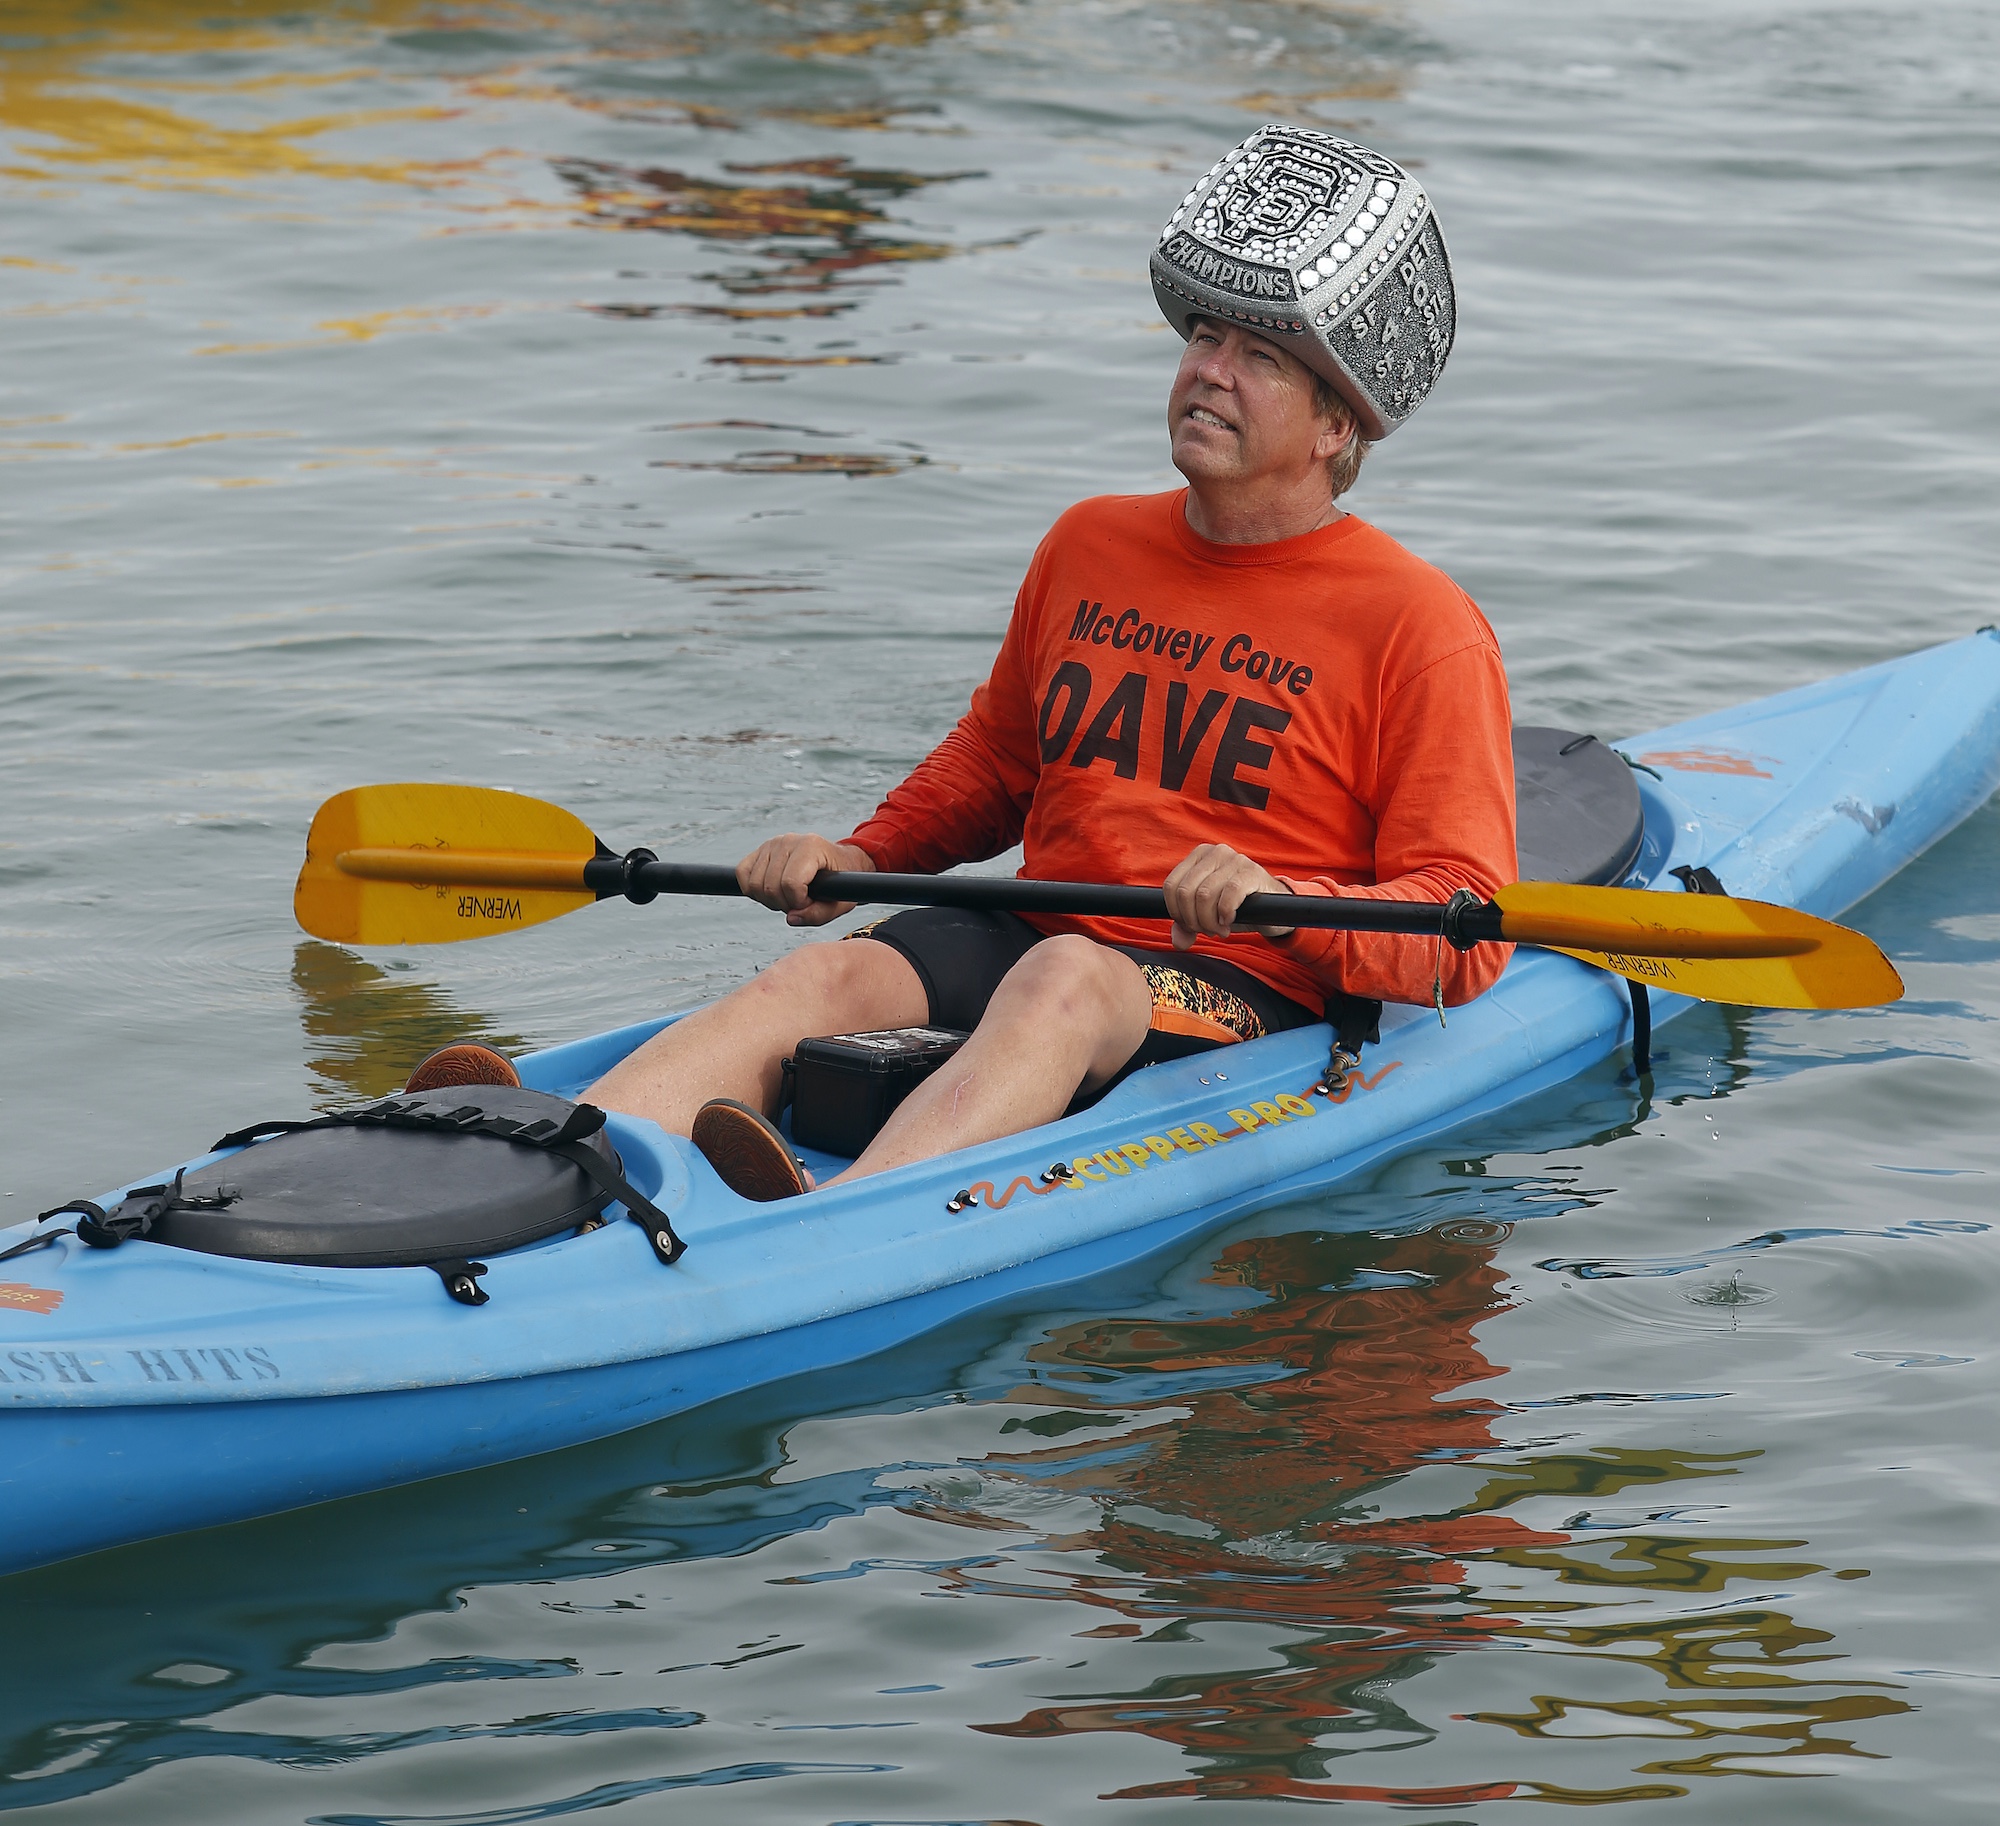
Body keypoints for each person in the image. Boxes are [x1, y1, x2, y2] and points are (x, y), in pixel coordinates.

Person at [410, 125, 1517, 1201]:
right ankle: (555, 1153)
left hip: (1243, 985)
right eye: (1201, 339)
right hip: (1041, 921)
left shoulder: (1418, 624)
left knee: (1066, 978)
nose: (1207, 372)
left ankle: (831, 1222)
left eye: (1258, 357)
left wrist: (1282, 900)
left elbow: (1462, 923)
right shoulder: (1089, 540)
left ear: (1334, 425)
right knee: (831, 971)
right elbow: (998, 760)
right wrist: (857, 847)